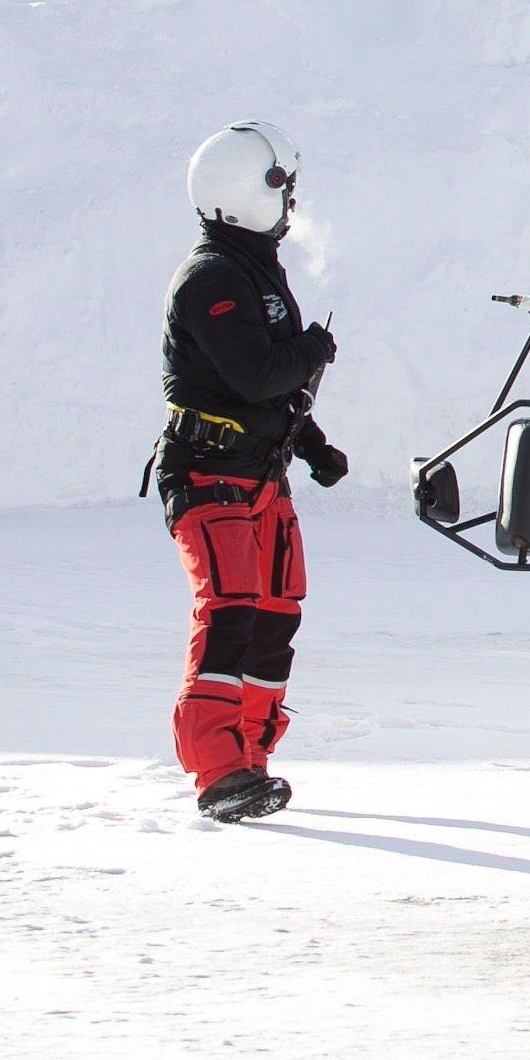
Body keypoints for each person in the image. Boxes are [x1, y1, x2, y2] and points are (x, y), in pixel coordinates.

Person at [152, 121, 348, 823]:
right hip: (207, 475)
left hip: (260, 472)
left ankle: (252, 756)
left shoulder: (257, 267)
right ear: (245, 193)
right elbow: (260, 373)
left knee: (274, 614)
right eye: (281, 188)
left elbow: (274, 391)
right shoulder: (211, 279)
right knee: (230, 607)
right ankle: (216, 770)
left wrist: (314, 446)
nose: (291, 202)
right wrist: (312, 350)